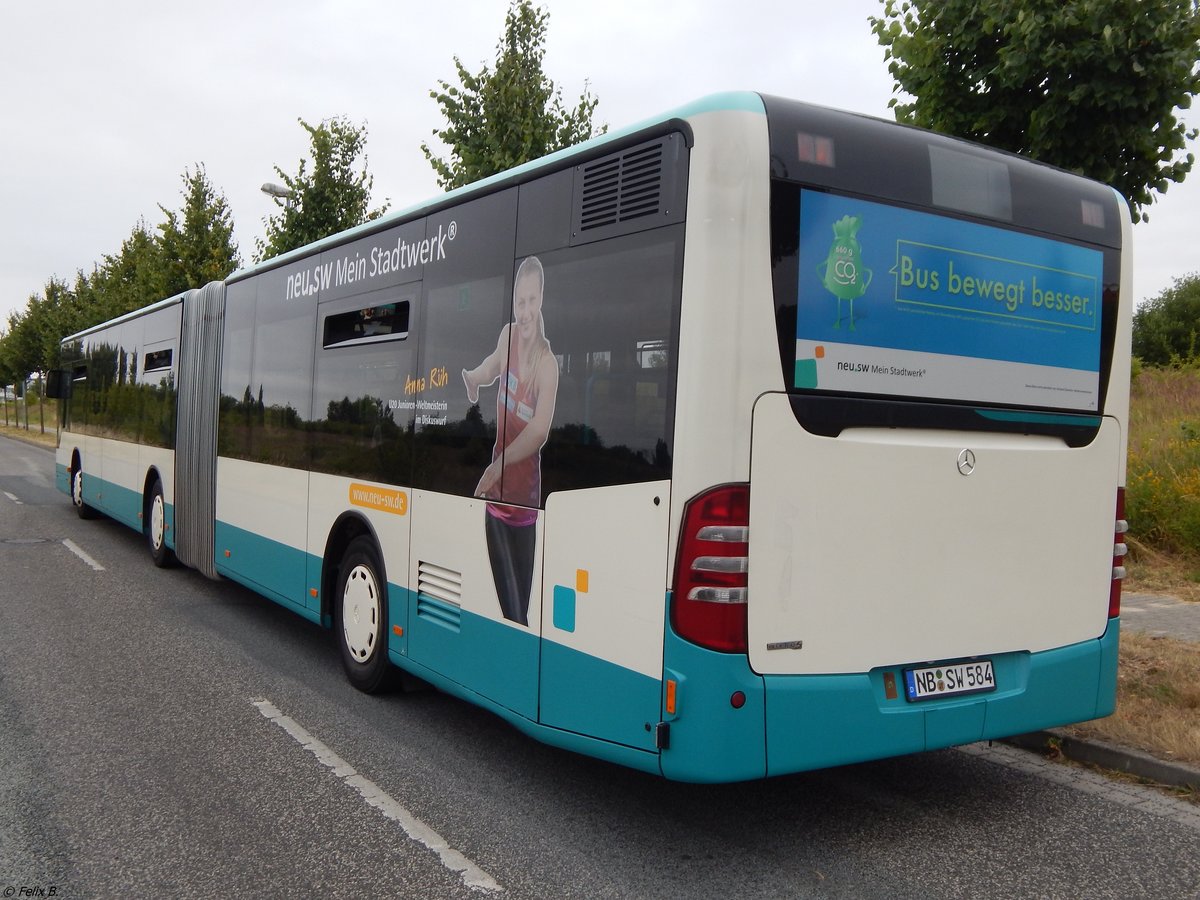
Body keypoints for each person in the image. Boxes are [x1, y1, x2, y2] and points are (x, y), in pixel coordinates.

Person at [462, 256, 559, 625]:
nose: (526, 311)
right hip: (497, 506)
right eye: (520, 301)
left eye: (532, 300)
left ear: (541, 299)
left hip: (528, 511)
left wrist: (496, 466)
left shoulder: (547, 365)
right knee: (513, 613)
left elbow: (538, 432)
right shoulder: (507, 336)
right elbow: (491, 365)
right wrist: (474, 377)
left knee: (520, 617)